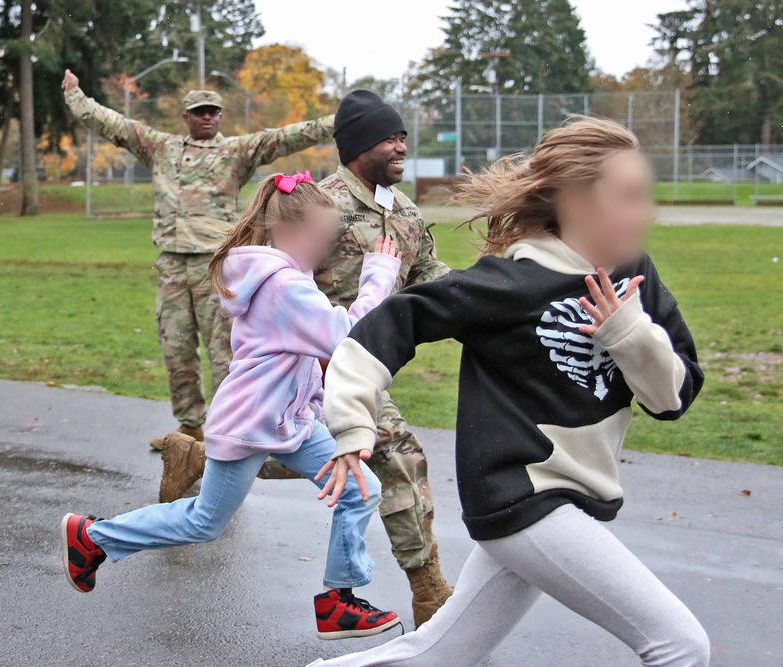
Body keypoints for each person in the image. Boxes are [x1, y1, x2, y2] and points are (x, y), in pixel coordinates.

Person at [306, 117, 710, 666]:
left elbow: (672, 400)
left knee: (437, 657)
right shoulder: (507, 285)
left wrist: (630, 334)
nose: (645, 213)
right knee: (681, 646)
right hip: (525, 497)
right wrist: (354, 428)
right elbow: (378, 333)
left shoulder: (635, 275)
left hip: (572, 499)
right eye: (628, 196)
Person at [62, 172, 403, 640]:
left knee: (360, 491)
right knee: (205, 521)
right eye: (320, 237)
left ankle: (337, 602)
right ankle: (93, 537)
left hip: (290, 421)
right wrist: (378, 278)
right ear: (286, 233)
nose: (324, 248)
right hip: (251, 421)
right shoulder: (283, 284)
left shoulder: (285, 274)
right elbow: (345, 339)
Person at [258, 90, 454, 628]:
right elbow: (275, 280)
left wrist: (481, 298)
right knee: (398, 455)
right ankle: (429, 590)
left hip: (369, 363)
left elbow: (426, 276)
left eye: (403, 138)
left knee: (310, 455)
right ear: (359, 145)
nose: (401, 147)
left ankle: (209, 459)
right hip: (323, 364)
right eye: (390, 138)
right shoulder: (320, 206)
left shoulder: (402, 210)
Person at [61, 70, 335, 450]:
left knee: (225, 352)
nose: (206, 117)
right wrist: (76, 96)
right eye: (198, 112)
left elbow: (287, 136)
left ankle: (232, 432)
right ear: (186, 117)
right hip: (172, 266)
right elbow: (114, 124)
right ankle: (189, 429)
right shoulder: (162, 147)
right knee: (175, 347)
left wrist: (344, 121)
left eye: (213, 112)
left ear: (220, 117)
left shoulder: (236, 151)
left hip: (217, 268)